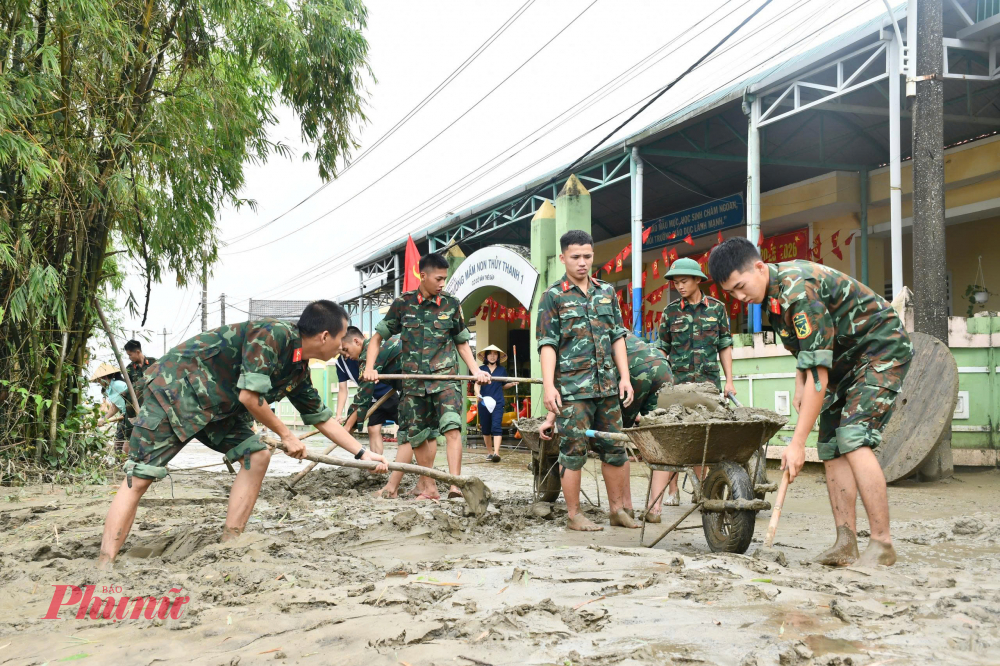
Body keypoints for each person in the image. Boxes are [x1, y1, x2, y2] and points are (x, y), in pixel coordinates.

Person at [96, 300, 388, 570]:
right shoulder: (273, 334)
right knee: (140, 477)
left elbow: (322, 418)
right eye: (340, 339)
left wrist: (363, 454)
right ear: (325, 336)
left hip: (219, 407)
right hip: (175, 391)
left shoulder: (298, 370)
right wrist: (286, 435)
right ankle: (104, 562)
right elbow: (250, 398)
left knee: (257, 454)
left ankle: (231, 541)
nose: (342, 346)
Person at [708, 237, 912, 567]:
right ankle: (846, 542)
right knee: (831, 445)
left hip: (878, 349)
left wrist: (797, 443)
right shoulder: (771, 298)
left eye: (741, 287)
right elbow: (807, 354)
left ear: (759, 268)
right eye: (732, 293)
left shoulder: (797, 292)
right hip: (842, 361)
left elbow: (819, 375)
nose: (740, 298)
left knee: (853, 439)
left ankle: (882, 544)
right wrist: (798, 384)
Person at [363, 253, 490, 501]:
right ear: (423, 276)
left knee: (452, 427)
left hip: (445, 379)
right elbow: (378, 338)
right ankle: (430, 489)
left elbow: (462, 342)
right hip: (414, 383)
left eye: (445, 278)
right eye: (439, 278)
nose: (443, 283)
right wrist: (370, 368)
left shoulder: (452, 304)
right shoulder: (403, 304)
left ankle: (455, 486)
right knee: (418, 435)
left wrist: (475, 371)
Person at [536, 229, 636, 532]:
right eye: (576, 257)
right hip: (573, 391)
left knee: (615, 449)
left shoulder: (606, 292)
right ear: (564, 257)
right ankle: (574, 515)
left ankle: (618, 510)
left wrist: (625, 377)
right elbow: (547, 344)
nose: (582, 262)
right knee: (573, 451)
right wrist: (549, 385)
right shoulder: (552, 297)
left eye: (587, 256)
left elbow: (618, 337)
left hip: (607, 387)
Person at [656, 256, 735, 494]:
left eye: (684, 281)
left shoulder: (717, 309)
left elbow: (724, 345)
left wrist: (729, 380)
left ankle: (702, 489)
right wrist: (662, 381)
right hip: (677, 384)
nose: (679, 286)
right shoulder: (669, 313)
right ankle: (672, 490)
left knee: (705, 438)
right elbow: (662, 348)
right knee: (674, 437)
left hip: (708, 384)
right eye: (676, 282)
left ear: (697, 280)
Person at [609, 333, 676, 525]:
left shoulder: (594, 326)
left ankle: (627, 507)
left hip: (633, 369)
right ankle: (654, 509)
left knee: (620, 438)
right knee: (659, 438)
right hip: (662, 365)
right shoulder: (617, 325)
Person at [474, 344, 516, 463]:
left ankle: (496, 453)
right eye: (490, 354)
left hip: (498, 402)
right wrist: (478, 394)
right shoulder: (481, 369)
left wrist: (512, 384)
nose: (492, 356)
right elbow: (476, 384)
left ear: (498, 356)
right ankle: (489, 452)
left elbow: (504, 385)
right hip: (483, 402)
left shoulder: (502, 370)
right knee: (486, 428)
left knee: (496, 427)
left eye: (495, 354)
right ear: (486, 356)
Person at [122, 340, 157, 451]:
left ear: (137, 352)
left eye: (130, 355)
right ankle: (127, 462)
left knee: (154, 434)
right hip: (136, 408)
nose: (129, 357)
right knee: (130, 436)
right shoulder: (129, 369)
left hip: (153, 407)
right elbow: (129, 390)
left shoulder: (154, 363)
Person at [91, 363, 130, 453]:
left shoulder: (118, 385)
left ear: (105, 378)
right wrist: (104, 419)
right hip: (123, 416)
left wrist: (128, 413)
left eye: (99, 380)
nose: (99, 383)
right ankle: (119, 461)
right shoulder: (108, 389)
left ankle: (126, 462)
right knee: (118, 441)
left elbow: (133, 399)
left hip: (131, 416)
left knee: (127, 442)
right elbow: (115, 406)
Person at [334, 335, 361, 424]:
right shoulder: (340, 363)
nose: (348, 356)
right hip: (366, 397)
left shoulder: (363, 353)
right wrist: (338, 415)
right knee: (372, 429)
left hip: (387, 393)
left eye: (346, 350)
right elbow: (342, 390)